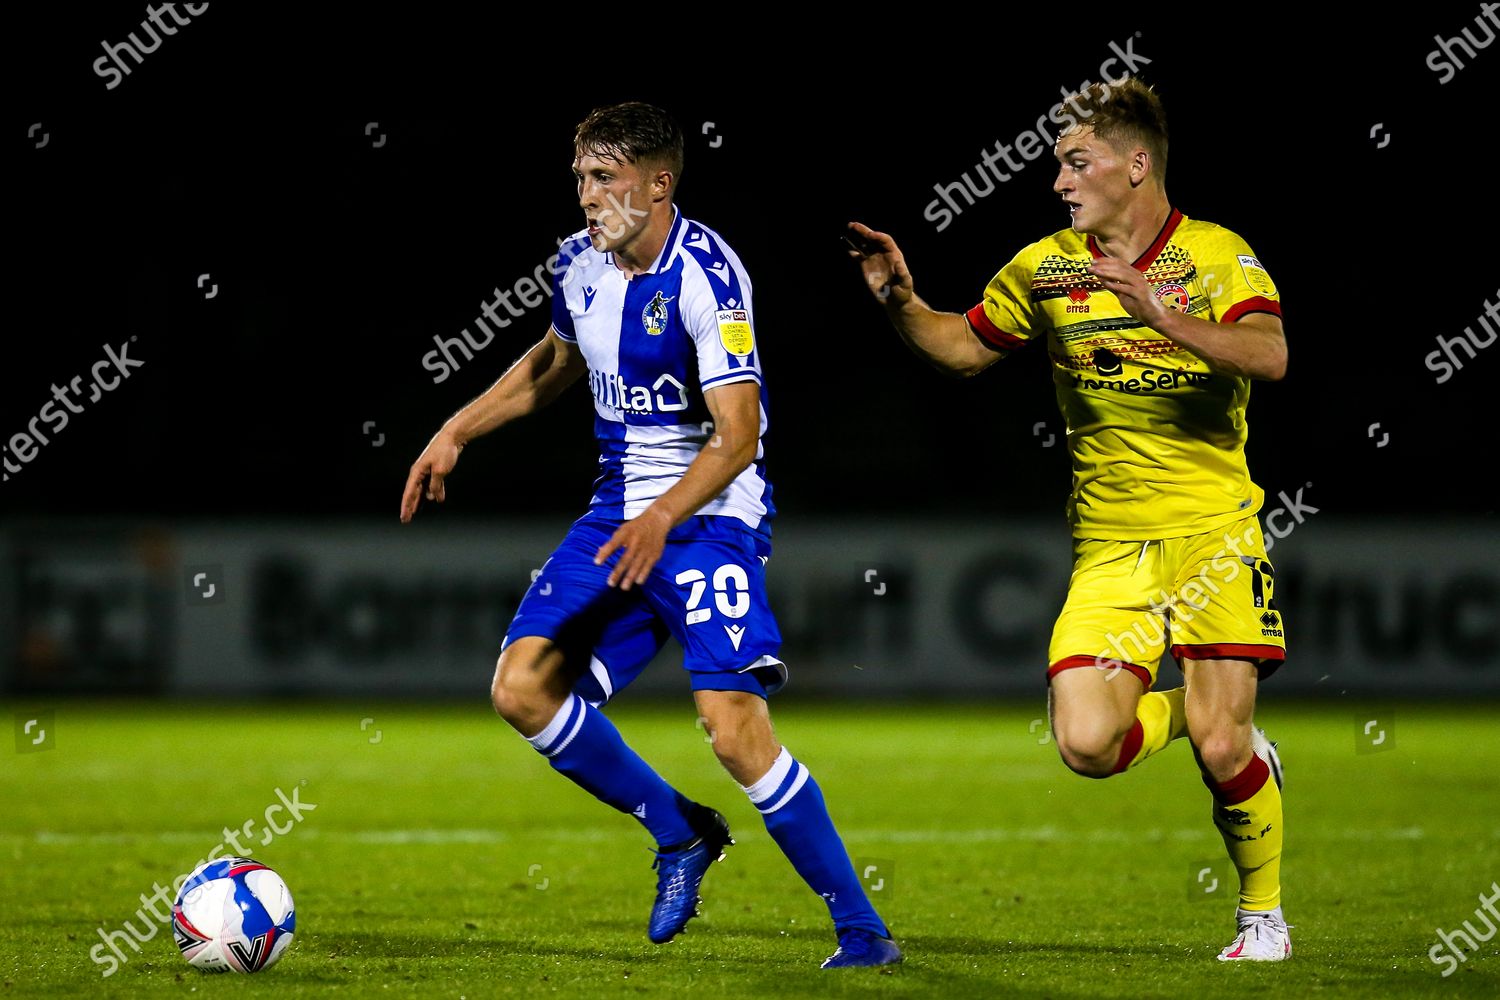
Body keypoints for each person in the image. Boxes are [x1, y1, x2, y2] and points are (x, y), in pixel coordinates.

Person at [400, 101, 900, 969]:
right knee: (522, 688)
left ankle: (863, 933)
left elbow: (737, 434)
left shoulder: (709, 276)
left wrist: (664, 516)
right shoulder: (579, 266)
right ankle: (679, 831)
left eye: (606, 180)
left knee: (734, 730)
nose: (588, 198)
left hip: (708, 522)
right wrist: (458, 428)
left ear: (659, 184)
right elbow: (553, 365)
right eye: (581, 179)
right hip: (618, 514)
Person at [848, 76, 1291, 962]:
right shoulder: (1047, 266)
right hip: (1111, 550)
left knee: (1219, 743)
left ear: (1135, 165)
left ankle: (1262, 916)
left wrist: (1162, 316)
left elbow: (1270, 355)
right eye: (1057, 163)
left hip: (1215, 533)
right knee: (1087, 744)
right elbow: (965, 349)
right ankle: (1205, 723)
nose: (1057, 179)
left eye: (1074, 161)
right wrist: (900, 301)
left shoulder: (1214, 256)